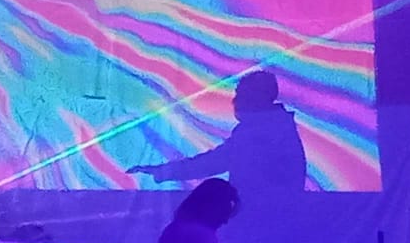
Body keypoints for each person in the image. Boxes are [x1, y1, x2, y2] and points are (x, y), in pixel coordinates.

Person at [128, 72, 307, 198]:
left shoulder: (260, 133)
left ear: (256, 97)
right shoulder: (275, 128)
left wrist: (164, 171)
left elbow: (213, 162)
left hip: (260, 220)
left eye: (241, 94)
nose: (235, 101)